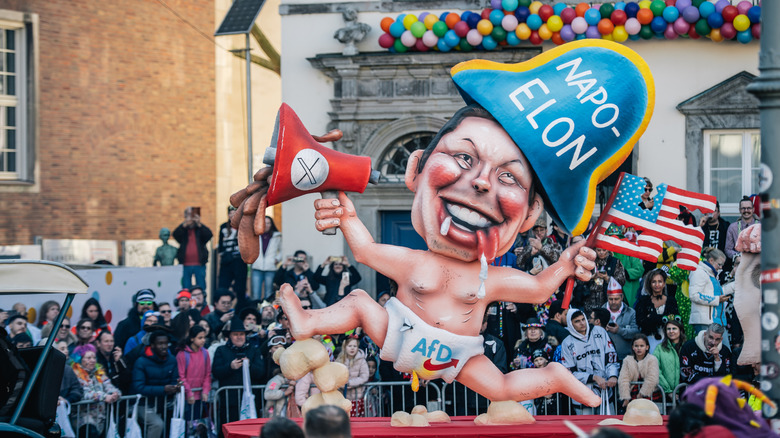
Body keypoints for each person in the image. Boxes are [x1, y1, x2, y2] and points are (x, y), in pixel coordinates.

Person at [560, 309, 619, 414]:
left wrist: (613, 375)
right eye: (577, 321)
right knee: (586, 428)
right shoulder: (567, 343)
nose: (582, 323)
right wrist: (593, 377)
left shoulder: (600, 331)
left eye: (583, 319)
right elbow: (568, 373)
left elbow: (611, 357)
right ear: (570, 324)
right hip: (582, 397)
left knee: (609, 426)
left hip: (605, 393)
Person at [212, 316, 267, 428]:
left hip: (250, 402)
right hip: (229, 402)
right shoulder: (221, 350)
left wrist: (249, 365)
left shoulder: (254, 350)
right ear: (230, 336)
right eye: (235, 334)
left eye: (241, 334)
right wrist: (230, 367)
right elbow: (216, 372)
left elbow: (261, 372)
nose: (239, 337)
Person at [132, 330, 180, 438]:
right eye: (160, 343)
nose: (164, 346)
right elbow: (139, 387)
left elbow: (175, 379)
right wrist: (163, 389)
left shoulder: (172, 360)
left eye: (166, 343)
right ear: (152, 345)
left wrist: (177, 387)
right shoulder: (141, 362)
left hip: (164, 403)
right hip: (143, 404)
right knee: (157, 424)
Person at [71, 344, 121, 438]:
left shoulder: (99, 373)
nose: (92, 360)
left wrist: (114, 394)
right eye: (88, 358)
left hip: (100, 417)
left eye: (94, 357)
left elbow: (109, 386)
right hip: (83, 419)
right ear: (80, 359)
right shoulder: (76, 374)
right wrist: (104, 396)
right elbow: (84, 393)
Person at [689, 248, 731, 335]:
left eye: (722, 265)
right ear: (711, 260)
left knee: (724, 348)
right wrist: (717, 300)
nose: (721, 267)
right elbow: (694, 295)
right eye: (719, 264)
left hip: (716, 321)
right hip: (705, 322)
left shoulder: (711, 274)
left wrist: (735, 285)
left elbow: (718, 292)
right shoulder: (699, 272)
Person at [635, 269, 680, 351]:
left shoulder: (671, 301)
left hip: (668, 339)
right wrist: (662, 319)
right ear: (650, 284)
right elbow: (640, 321)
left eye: (660, 281)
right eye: (654, 282)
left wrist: (652, 318)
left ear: (664, 284)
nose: (657, 285)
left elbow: (676, 322)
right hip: (649, 339)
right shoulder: (644, 301)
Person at [176, 325, 211, 423]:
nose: (203, 340)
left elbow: (207, 374)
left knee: (197, 424)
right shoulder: (182, 354)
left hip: (200, 395)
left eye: (204, 337)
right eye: (200, 338)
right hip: (186, 397)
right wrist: (189, 393)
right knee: (186, 424)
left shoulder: (205, 353)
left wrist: (205, 390)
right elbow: (181, 376)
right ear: (192, 338)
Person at [173, 206, 213, 290]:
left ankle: (202, 302)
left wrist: (199, 223)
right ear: (185, 216)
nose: (191, 217)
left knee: (201, 287)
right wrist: (184, 225)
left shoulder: (199, 229)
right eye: (188, 214)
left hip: (200, 264)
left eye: (192, 214)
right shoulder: (183, 229)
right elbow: (175, 235)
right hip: (185, 264)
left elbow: (209, 235)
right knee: (186, 287)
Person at [618, 333, 660, 408]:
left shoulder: (652, 359)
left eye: (642, 346)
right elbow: (623, 378)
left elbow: (652, 378)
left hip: (649, 394)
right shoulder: (627, 360)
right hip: (633, 394)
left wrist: (642, 394)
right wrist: (626, 397)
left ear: (647, 347)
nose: (639, 348)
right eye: (636, 346)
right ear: (632, 347)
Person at [602, 282, 639, 361]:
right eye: (611, 299)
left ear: (622, 297)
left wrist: (619, 330)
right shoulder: (601, 312)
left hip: (626, 357)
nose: (613, 302)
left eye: (616, 299)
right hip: (606, 358)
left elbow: (636, 332)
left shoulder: (631, 312)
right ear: (607, 297)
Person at [219, 205, 248, 301]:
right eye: (231, 213)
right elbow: (220, 245)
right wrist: (222, 254)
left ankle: (240, 305)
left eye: (235, 213)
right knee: (223, 285)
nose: (233, 215)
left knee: (240, 286)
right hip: (227, 260)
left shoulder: (243, 226)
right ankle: (222, 303)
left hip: (239, 260)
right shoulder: (223, 227)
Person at [114, 288, 157, 353]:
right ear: (136, 305)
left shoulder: (160, 322)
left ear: (153, 305)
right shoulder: (124, 325)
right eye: (142, 303)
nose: (145, 305)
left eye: (149, 303)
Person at [335, 335, 369, 417]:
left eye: (355, 346)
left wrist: (350, 383)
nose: (352, 348)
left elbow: (364, 376)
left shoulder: (361, 360)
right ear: (345, 347)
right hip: (342, 397)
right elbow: (335, 375)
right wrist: (342, 384)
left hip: (357, 397)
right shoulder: (339, 360)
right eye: (350, 346)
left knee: (356, 419)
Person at [584, 248, 626, 312]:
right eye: (598, 250)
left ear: (608, 250)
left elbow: (621, 281)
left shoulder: (615, 262)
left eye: (604, 250)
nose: (601, 252)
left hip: (608, 301)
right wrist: (591, 277)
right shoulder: (589, 261)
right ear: (595, 250)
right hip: (590, 301)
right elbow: (579, 280)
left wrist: (607, 278)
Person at [653, 317, 686, 397]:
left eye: (674, 328)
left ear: (680, 330)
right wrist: (668, 391)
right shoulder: (659, 348)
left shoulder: (687, 347)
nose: (671, 331)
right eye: (668, 329)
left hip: (685, 392)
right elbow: (655, 369)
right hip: (666, 394)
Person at [252, 216, 282, 301]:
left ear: (271, 224)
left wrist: (277, 259)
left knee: (268, 292)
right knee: (256, 292)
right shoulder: (255, 235)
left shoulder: (277, 236)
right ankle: (257, 311)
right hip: (257, 266)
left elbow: (282, 250)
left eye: (268, 223)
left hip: (270, 267)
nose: (266, 225)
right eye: (264, 223)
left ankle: (268, 310)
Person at [532, 349, 571, 415]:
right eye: (536, 360)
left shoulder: (552, 370)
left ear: (546, 360)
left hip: (556, 401)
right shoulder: (533, 374)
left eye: (541, 359)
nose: (539, 362)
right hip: (541, 403)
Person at [725, 196, 758, 261]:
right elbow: (728, 249)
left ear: (753, 209)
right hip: (739, 264)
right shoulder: (733, 227)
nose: (746, 211)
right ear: (739, 210)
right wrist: (737, 256)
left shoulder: (760, 226)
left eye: (749, 208)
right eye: (743, 208)